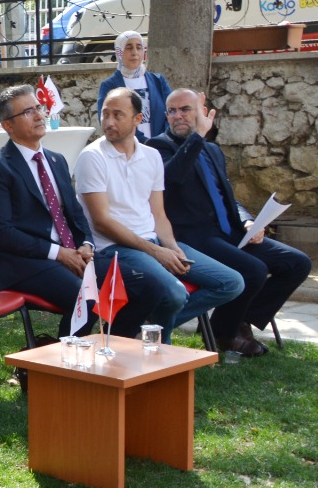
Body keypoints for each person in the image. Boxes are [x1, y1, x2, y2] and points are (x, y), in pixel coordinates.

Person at [148, 89, 312, 356]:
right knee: (254, 270)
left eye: (185, 109)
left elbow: (228, 196)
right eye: (172, 111)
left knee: (297, 263)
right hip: (194, 237)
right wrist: (198, 135)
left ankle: (237, 320)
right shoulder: (158, 147)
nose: (178, 116)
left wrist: (248, 222)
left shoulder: (212, 150)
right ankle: (226, 334)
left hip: (230, 231)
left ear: (200, 112)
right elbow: (172, 178)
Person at [74, 87, 244, 340]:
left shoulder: (151, 156)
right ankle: (156, 342)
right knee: (174, 293)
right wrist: (156, 252)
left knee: (232, 282)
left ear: (137, 120)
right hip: (112, 249)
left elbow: (158, 214)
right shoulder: (92, 156)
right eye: (104, 114)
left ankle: (150, 329)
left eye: (118, 115)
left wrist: (173, 248)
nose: (108, 122)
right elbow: (102, 223)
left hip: (151, 243)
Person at [0, 84, 97, 338]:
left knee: (132, 283)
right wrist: (60, 254)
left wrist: (86, 244)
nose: (40, 115)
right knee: (87, 297)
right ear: (8, 125)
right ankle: (62, 369)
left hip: (69, 253)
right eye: (28, 112)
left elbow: (75, 212)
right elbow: (4, 234)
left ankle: (117, 364)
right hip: (23, 264)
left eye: (38, 108)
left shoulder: (56, 159)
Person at [95, 31, 171, 141]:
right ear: (119, 52)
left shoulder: (158, 81)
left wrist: (162, 141)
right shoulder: (110, 85)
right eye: (129, 47)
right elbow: (106, 120)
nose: (134, 52)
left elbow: (172, 112)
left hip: (161, 149)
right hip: (126, 148)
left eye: (139, 47)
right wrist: (144, 142)